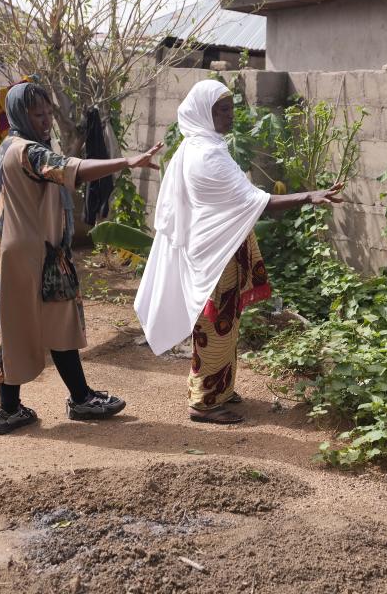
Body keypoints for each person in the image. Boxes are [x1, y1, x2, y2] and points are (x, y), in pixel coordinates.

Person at [134, 79, 343, 425]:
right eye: (223, 109)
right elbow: (254, 202)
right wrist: (309, 196)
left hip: (213, 247)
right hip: (216, 252)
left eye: (231, 107)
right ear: (205, 112)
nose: (232, 115)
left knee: (225, 322)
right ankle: (204, 402)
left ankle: (220, 389)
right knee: (217, 323)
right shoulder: (207, 155)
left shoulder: (196, 145)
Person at [0, 83, 162, 435]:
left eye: (49, 113)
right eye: (38, 114)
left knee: (14, 327)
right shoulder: (27, 151)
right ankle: (79, 399)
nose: (46, 121)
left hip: (13, 251)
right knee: (56, 320)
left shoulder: (7, 145)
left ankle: (11, 410)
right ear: (20, 114)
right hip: (36, 253)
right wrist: (127, 161)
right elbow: (69, 168)